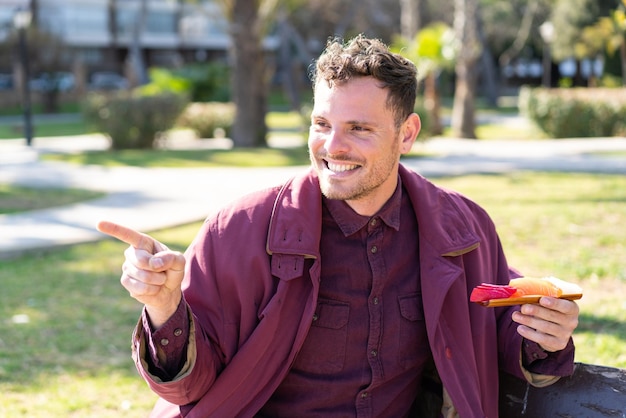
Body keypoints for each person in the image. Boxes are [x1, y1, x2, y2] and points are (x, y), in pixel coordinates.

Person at [97, 34, 579, 418]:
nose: (333, 146)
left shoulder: (464, 230)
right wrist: (164, 308)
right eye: (322, 124)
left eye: (359, 129)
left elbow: (497, 336)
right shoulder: (236, 230)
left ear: (406, 134)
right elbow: (189, 389)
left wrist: (545, 336)